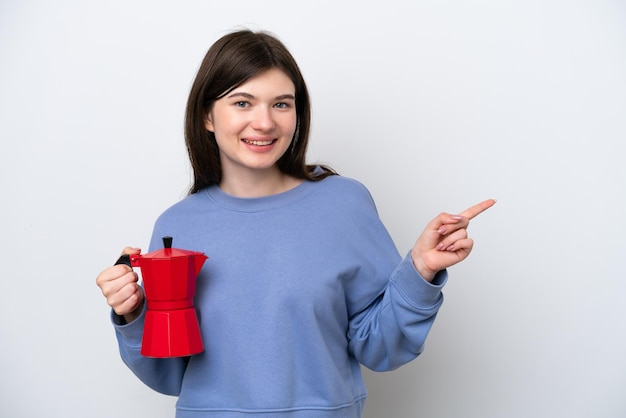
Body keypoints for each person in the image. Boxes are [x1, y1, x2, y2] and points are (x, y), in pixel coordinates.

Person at [96, 29, 495, 418]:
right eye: (242, 103)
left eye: (282, 104)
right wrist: (132, 314)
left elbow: (380, 348)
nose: (265, 122)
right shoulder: (178, 223)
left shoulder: (343, 203)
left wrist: (420, 272)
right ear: (207, 117)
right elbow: (167, 375)